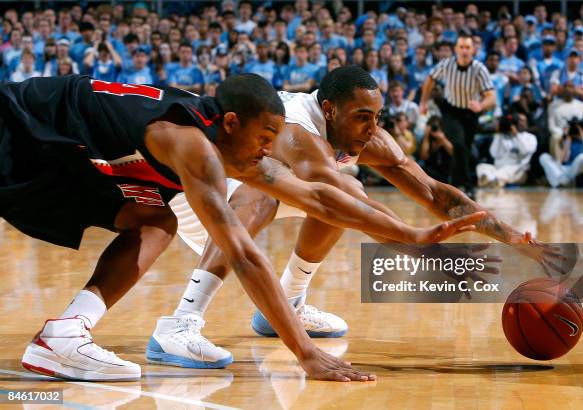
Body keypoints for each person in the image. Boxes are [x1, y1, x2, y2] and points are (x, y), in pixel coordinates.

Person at [152, 66, 557, 369]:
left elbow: (434, 192)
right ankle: (182, 319)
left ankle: (288, 304)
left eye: (377, 116)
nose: (373, 127)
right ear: (329, 110)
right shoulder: (296, 130)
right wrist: (440, 262)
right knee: (315, 195)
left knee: (343, 197)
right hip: (195, 186)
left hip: (263, 187)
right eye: (364, 116)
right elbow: (340, 199)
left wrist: (510, 236)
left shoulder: (363, 134)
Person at [5, 73, 397, 382]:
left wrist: (417, 238)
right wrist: (306, 353)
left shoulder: (214, 134)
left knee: (156, 221)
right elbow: (244, 255)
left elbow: (315, 199)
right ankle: (181, 322)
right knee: (177, 224)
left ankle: (66, 333)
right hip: (18, 125)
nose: (267, 150)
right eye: (265, 138)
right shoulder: (191, 144)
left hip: (62, 152)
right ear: (231, 123)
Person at [420, 32, 497, 198]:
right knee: (459, 144)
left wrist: (481, 105)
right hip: (451, 110)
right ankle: (468, 184)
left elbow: (492, 96)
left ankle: (453, 184)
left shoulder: (479, 69)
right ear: (456, 49)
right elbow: (430, 80)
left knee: (464, 149)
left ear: (473, 50)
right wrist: (423, 102)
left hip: (470, 113)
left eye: (467, 47)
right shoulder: (446, 64)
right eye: (461, 47)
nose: (464, 50)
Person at [476, 113, 537, 188]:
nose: (521, 123)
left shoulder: (530, 137)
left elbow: (525, 152)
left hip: (517, 169)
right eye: (519, 120)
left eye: (523, 120)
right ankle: (495, 180)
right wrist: (498, 134)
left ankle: (490, 179)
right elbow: (494, 154)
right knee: (481, 166)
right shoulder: (502, 136)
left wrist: (516, 135)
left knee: (507, 171)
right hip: (498, 167)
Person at [539, 116, 583, 187]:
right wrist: (568, 138)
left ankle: (560, 181)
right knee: (544, 157)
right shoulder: (570, 139)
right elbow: (563, 159)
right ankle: (563, 182)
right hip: (568, 169)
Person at [419, 115, 454, 183]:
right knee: (420, 164)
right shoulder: (427, 140)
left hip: (446, 170)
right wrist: (426, 137)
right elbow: (423, 157)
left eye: (436, 127)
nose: (434, 129)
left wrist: (443, 139)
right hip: (431, 171)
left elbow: (453, 153)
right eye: (433, 127)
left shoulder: (447, 137)